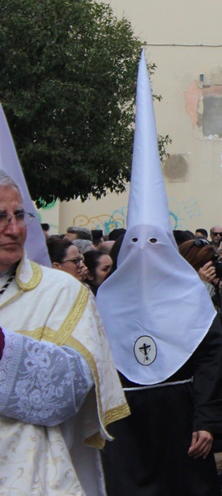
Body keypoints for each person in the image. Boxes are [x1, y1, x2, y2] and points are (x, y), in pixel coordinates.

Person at [98, 51, 222, 496]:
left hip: (184, 428)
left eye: (155, 243)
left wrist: (209, 423)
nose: (146, 253)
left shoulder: (190, 297)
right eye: (135, 245)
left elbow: (213, 365)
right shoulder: (104, 302)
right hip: (123, 434)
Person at [0, 171, 129, 494]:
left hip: (33, 479)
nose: (14, 229)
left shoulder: (61, 292)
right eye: (1, 217)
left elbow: (63, 393)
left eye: (19, 215)